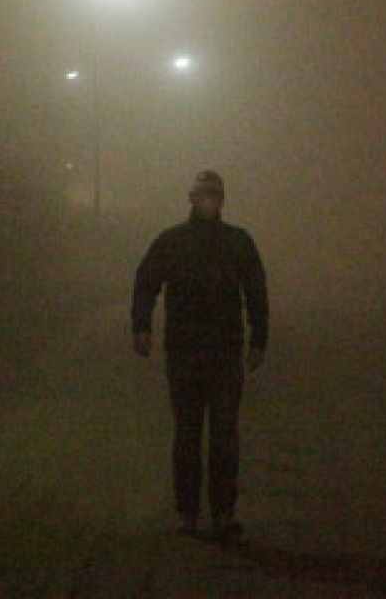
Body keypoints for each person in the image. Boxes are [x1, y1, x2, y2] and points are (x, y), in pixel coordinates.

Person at [132, 168, 269, 540]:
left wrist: (259, 340)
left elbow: (256, 292)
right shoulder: (179, 242)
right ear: (192, 199)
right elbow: (146, 281)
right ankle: (189, 513)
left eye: (213, 195)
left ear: (219, 200)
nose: (208, 201)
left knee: (223, 437)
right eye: (203, 195)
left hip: (220, 353)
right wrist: (140, 326)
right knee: (188, 437)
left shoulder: (235, 243)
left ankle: (221, 513)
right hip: (187, 354)